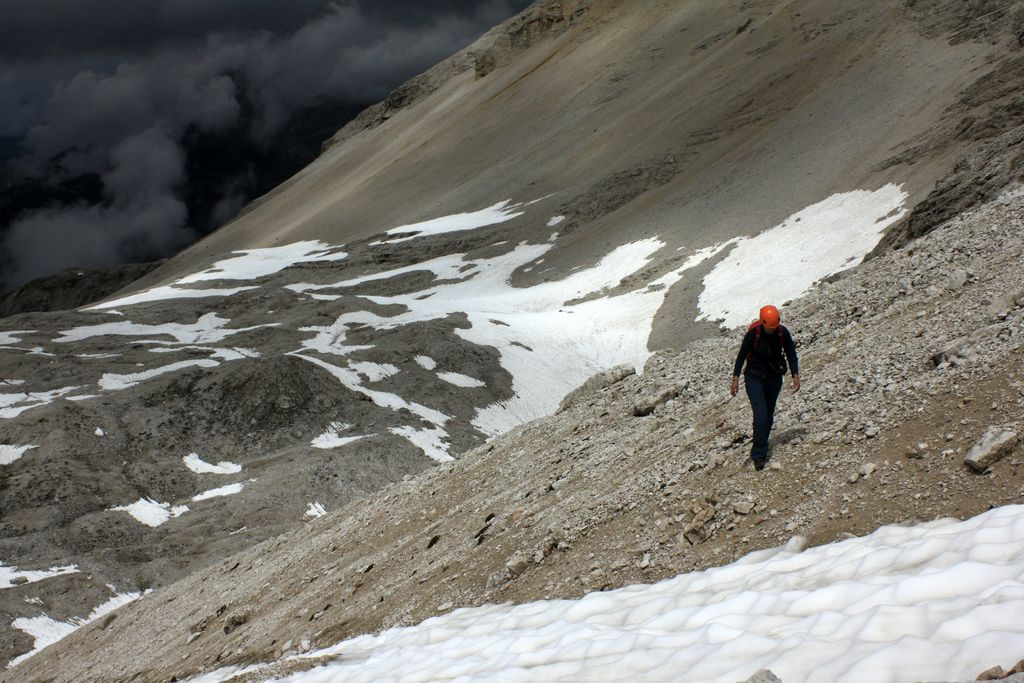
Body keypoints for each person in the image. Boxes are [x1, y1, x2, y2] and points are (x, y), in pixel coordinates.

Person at [729, 305, 800, 470]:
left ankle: (761, 442)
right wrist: (735, 378)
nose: (772, 330)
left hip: (774, 378)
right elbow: (741, 357)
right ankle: (759, 454)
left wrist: (795, 374)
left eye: (774, 327)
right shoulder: (754, 334)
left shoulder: (782, 333)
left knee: (768, 414)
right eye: (769, 328)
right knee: (761, 414)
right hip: (754, 378)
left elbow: (791, 353)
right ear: (762, 323)